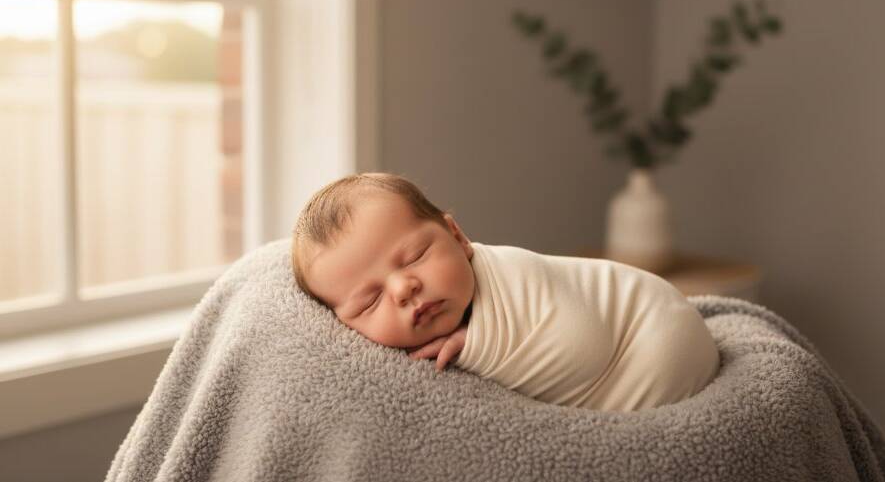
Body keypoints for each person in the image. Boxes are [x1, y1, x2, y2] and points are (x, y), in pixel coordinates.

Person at [291, 172, 719, 412]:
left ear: (457, 236)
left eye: (415, 256)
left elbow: (581, 344)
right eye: (370, 301)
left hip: (650, 338)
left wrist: (476, 344)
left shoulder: (512, 274)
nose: (404, 288)